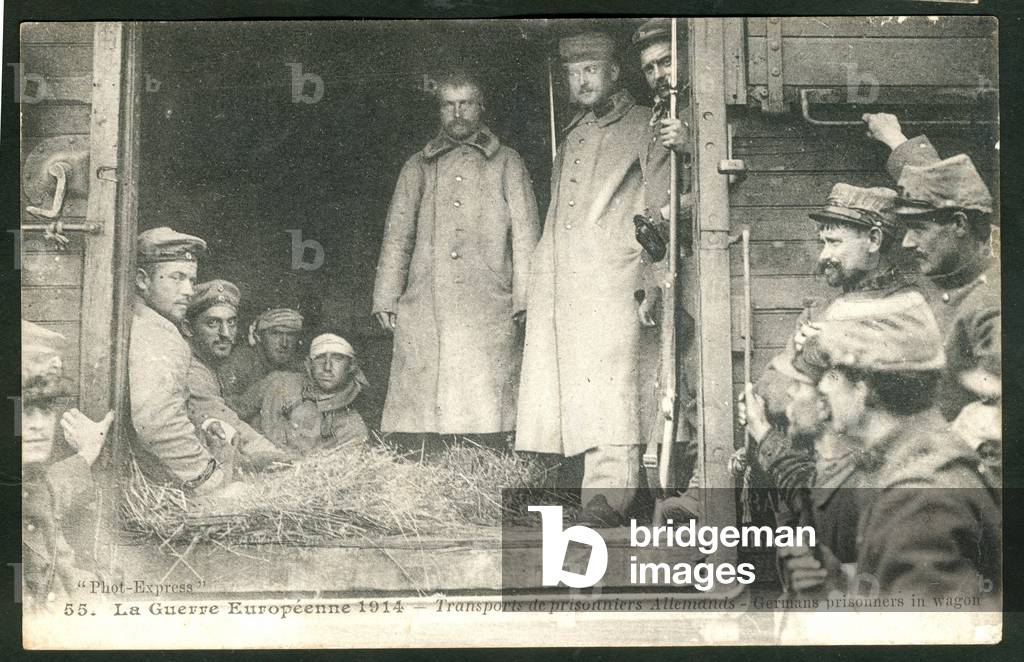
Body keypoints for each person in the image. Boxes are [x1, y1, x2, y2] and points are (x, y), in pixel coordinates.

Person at [780, 291, 1000, 602]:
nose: (823, 388)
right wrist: (837, 581)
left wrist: (826, 603)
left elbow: (925, 630)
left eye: (831, 375)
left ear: (864, 387)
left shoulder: (919, 500)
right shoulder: (922, 462)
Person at [516, 31, 652, 527]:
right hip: (568, 283)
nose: (583, 80)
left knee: (613, 388)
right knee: (579, 386)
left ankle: (610, 499)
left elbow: (658, 204)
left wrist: (645, 268)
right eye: (574, 73)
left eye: (592, 69)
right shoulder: (574, 133)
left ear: (614, 72)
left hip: (615, 278)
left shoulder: (645, 124)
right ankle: (587, 493)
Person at [372, 70, 540, 450]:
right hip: (426, 300)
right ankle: (430, 457)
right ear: (439, 111)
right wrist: (385, 295)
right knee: (426, 391)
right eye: (449, 105)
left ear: (481, 107)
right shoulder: (418, 165)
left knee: (485, 395)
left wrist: (526, 298)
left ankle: (483, 456)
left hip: (487, 299)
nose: (458, 113)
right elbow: (398, 235)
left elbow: (526, 235)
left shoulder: (507, 162)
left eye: (466, 103)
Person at [863, 113, 1000, 472]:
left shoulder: (992, 305)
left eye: (918, 229)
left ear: (959, 225)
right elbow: (941, 184)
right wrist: (895, 140)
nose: (907, 242)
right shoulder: (954, 269)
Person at [630, 17, 701, 516]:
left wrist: (692, 141)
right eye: (650, 68)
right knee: (675, 379)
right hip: (668, 266)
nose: (659, 75)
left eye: (666, 62)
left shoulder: (698, 114)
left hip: (701, 263)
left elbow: (723, 183)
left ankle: (700, 487)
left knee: (697, 376)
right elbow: (654, 203)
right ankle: (680, 494)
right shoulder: (657, 119)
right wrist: (648, 287)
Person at [128, 227, 239, 494]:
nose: (188, 290)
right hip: (160, 487)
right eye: (177, 278)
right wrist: (208, 479)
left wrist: (202, 425)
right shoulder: (159, 333)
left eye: (191, 279)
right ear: (143, 280)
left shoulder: (139, 318)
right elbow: (158, 424)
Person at [22, 321, 113, 607]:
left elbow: (49, 489)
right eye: (23, 409)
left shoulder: (35, 488)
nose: (38, 425)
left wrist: (88, 451)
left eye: (46, 408)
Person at [182, 280, 295, 471]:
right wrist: (281, 458)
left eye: (231, 322)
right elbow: (228, 423)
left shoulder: (211, 364)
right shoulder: (194, 372)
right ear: (188, 328)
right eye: (212, 323)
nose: (225, 333)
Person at [240, 333, 370, 455]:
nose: (327, 367)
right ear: (309, 363)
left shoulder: (353, 428)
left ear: (351, 366)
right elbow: (234, 410)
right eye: (320, 358)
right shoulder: (281, 383)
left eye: (337, 358)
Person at [218, 307, 305, 404]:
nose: (284, 343)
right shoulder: (239, 362)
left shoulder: (300, 365)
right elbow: (226, 405)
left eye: (291, 335)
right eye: (275, 334)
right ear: (259, 336)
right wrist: (269, 384)